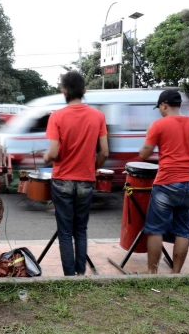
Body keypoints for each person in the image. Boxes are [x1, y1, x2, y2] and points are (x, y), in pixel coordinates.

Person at [139, 89, 189, 274]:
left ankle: (153, 273)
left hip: (166, 183)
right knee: (183, 230)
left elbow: (143, 154)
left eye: (159, 107)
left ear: (164, 105)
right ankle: (176, 273)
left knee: (155, 229)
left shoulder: (158, 125)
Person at [43, 71, 109, 276]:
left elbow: (53, 153)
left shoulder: (57, 117)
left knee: (65, 232)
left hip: (62, 180)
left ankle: (69, 276)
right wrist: (92, 165)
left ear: (64, 90)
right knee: (80, 230)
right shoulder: (98, 116)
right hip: (86, 180)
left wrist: (46, 158)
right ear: (84, 90)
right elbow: (105, 152)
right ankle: (80, 274)